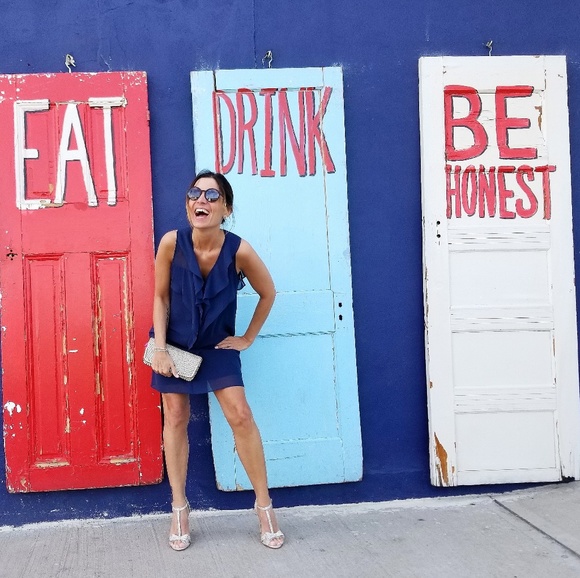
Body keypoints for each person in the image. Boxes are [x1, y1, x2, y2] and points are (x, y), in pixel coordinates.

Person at [149, 170, 284, 551]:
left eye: (212, 195)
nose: (201, 200)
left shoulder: (239, 250)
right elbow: (160, 297)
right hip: (174, 344)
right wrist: (159, 348)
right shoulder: (171, 243)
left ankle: (264, 505)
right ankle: (179, 507)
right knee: (176, 416)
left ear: (226, 208)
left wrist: (247, 338)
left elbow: (268, 292)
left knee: (240, 415)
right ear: (188, 205)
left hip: (216, 346)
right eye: (195, 193)